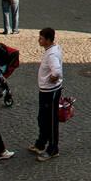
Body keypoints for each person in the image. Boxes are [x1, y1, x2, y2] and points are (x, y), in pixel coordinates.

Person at [31, 27, 63, 161]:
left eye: (41, 38)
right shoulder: (53, 50)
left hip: (51, 92)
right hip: (46, 91)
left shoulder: (51, 55)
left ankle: (53, 148)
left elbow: (57, 71)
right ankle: (41, 142)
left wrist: (53, 78)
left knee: (50, 120)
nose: (39, 40)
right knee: (42, 118)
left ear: (48, 40)